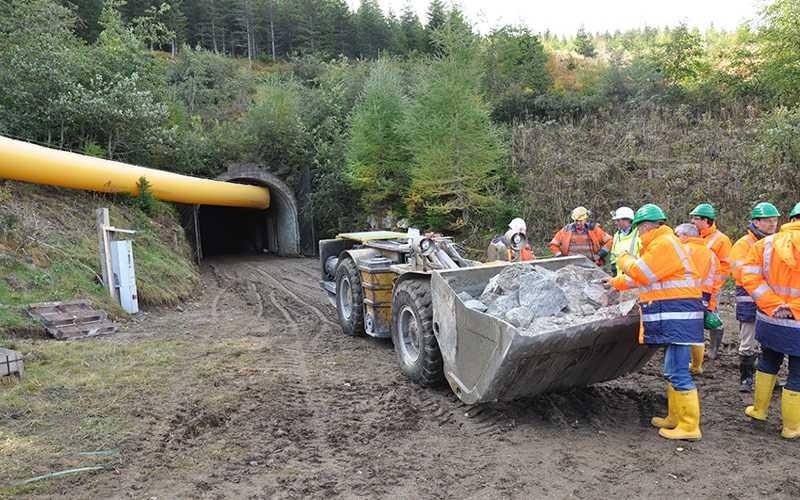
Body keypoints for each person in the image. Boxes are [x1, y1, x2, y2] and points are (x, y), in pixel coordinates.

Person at [606, 204, 704, 441]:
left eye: (639, 229)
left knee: (679, 372)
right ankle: (675, 417)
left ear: (645, 226)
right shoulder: (662, 243)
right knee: (671, 370)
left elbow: (642, 273)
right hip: (675, 316)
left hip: (678, 317)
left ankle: (690, 426)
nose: (638, 234)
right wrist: (614, 283)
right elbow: (648, 278)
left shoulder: (664, 243)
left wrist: (624, 257)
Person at [741, 202, 800, 440]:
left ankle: (759, 410)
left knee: (768, 361)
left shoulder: (764, 245)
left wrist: (774, 305)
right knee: (797, 374)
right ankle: (791, 427)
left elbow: (750, 278)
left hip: (771, 319)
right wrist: (793, 308)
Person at [730, 202, 781, 392]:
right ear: (756, 222)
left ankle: (768, 379)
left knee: (768, 341)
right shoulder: (744, 244)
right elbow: (740, 273)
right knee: (748, 341)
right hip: (749, 299)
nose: (772, 224)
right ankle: (746, 378)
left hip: (770, 300)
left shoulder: (777, 241)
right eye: (768, 220)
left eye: (774, 220)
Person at [675, 223, 720, 375]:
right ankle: (697, 366)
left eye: (678, 235)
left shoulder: (681, 250)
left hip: (683, 295)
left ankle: (682, 366)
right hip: (704, 297)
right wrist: (711, 304)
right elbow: (716, 280)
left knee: (682, 331)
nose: (676, 238)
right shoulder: (711, 254)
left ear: (685, 236)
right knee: (697, 332)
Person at [690, 203, 733, 360]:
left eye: (695, 218)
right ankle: (696, 348)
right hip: (693, 286)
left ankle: (713, 349)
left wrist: (715, 286)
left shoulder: (721, 239)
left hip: (711, 287)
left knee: (712, 316)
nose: (692, 221)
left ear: (706, 220)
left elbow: (726, 266)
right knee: (694, 317)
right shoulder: (693, 235)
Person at [610, 206, 641, 276]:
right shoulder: (617, 236)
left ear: (627, 220)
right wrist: (613, 266)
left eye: (618, 220)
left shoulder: (639, 235)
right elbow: (613, 256)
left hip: (635, 278)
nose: (616, 223)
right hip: (620, 280)